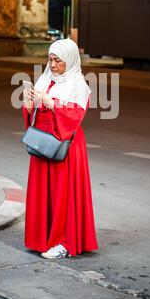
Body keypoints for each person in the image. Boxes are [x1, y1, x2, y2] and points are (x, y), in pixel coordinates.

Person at [22, 38, 98, 260]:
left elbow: (75, 116)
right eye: (50, 59)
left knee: (63, 194)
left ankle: (64, 242)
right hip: (43, 143)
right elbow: (35, 115)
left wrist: (51, 102)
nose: (53, 65)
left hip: (65, 147)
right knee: (43, 193)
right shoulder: (45, 80)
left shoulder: (78, 85)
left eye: (58, 61)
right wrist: (29, 105)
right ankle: (42, 238)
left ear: (71, 61)